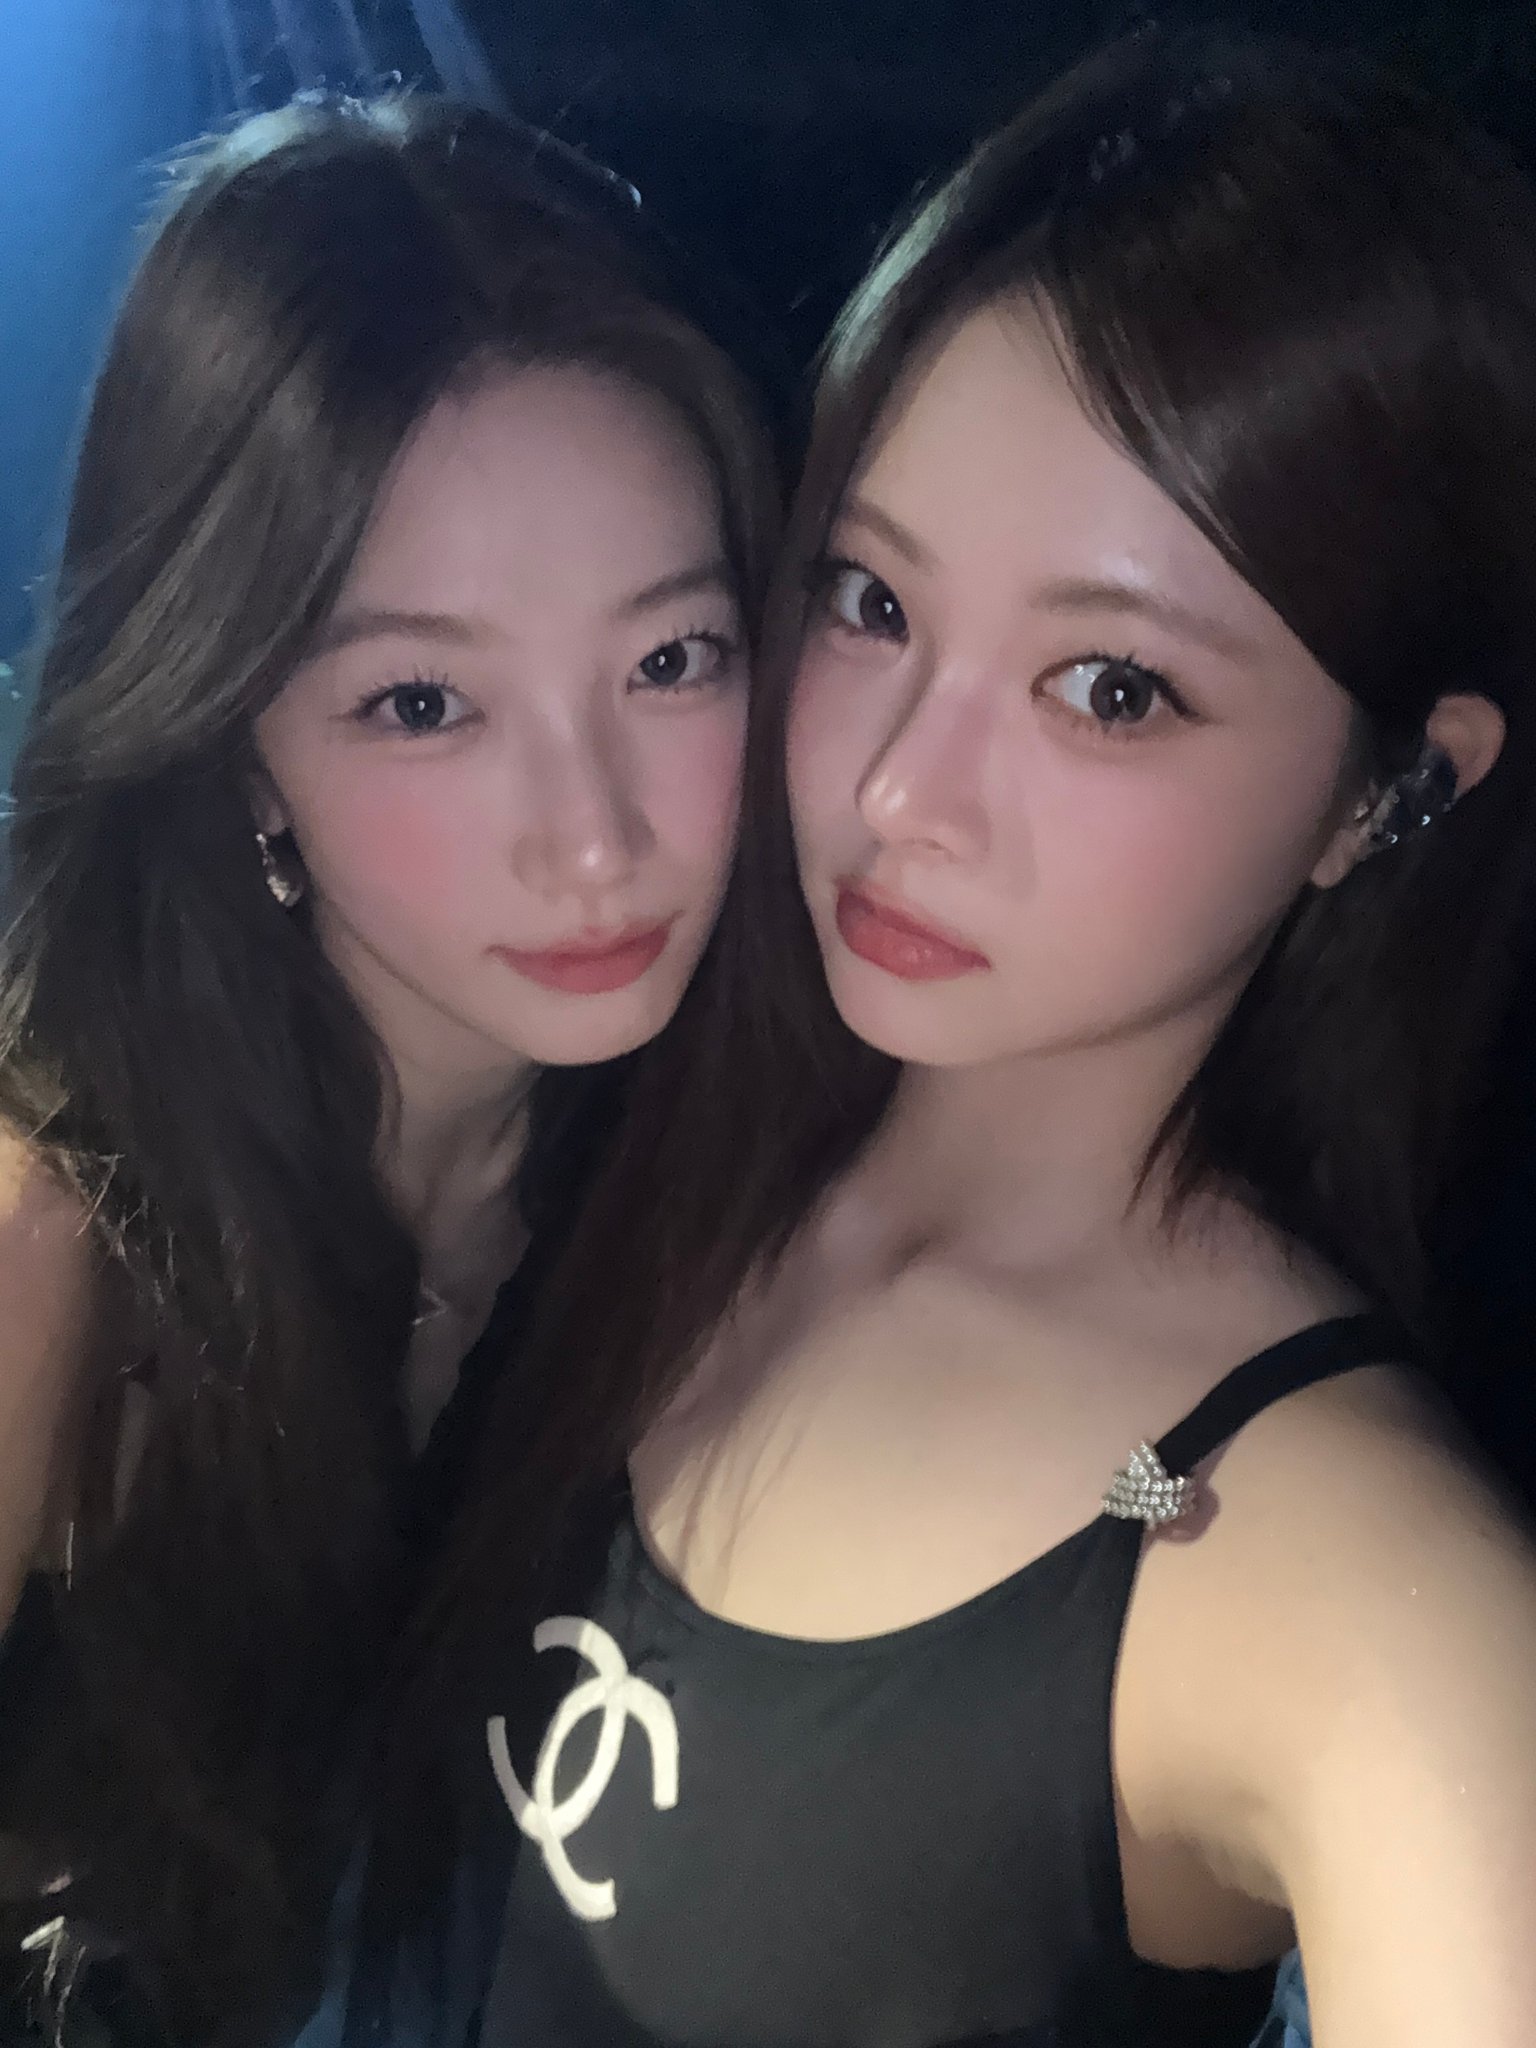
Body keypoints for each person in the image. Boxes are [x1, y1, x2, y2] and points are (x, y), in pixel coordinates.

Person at [363, 28, 1536, 2048]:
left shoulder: (1351, 1582)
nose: (902, 788)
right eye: (870, 602)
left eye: (1111, 687)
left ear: (1390, 793)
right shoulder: (629, 1097)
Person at [0, 94, 774, 2046]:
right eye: (423, 702)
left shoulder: (721, 1154)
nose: (594, 838)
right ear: (231, 731)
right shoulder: (49, 1232)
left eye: (671, 660)